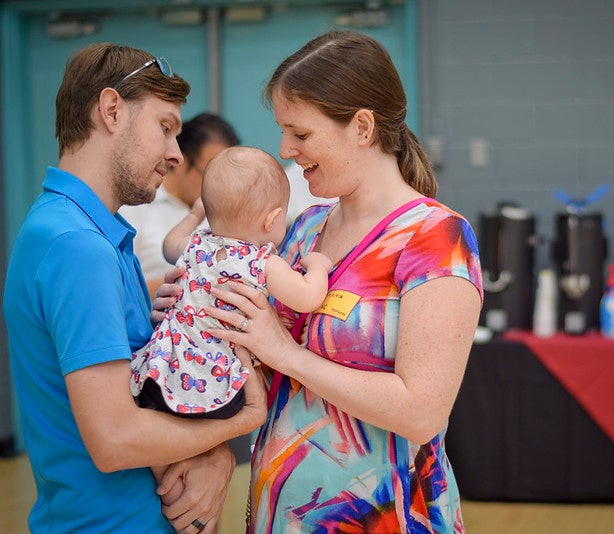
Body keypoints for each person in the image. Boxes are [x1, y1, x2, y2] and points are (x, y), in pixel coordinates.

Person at [193, 30, 483, 532]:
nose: (285, 148)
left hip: (385, 516)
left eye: (300, 134)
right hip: (280, 510)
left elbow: (421, 413)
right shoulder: (304, 228)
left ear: (362, 127)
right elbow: (256, 360)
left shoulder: (435, 237)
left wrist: (286, 354)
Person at [2, 42, 267, 533]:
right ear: (110, 110)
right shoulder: (77, 245)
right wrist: (242, 422)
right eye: (165, 128)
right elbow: (116, 439)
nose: (174, 154)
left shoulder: (92, 231)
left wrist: (213, 457)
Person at [132, 146, 331, 421]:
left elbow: (168, 247)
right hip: (219, 387)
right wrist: (319, 266)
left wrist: (193, 215)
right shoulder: (261, 263)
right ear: (272, 219)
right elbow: (308, 297)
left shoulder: (196, 244)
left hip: (163, 373)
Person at [119, 112, 240, 300]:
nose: (218, 184)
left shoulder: (223, 213)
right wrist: (191, 278)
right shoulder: (136, 205)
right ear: (182, 162)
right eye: (210, 174)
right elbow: (120, 287)